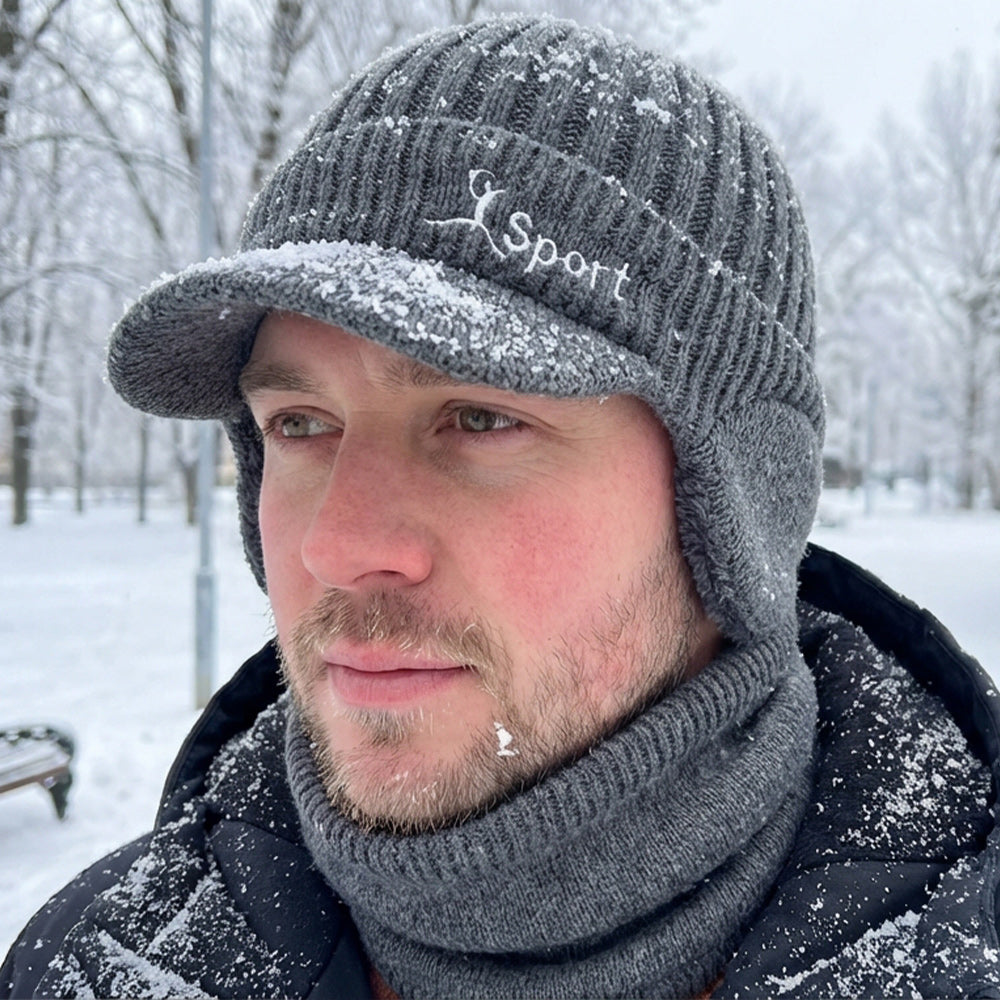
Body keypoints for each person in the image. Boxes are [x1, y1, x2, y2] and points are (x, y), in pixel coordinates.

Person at [3, 15, 998, 999]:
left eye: (479, 417)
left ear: (737, 508)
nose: (335, 545)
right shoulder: (86, 968)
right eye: (299, 424)